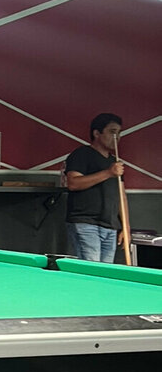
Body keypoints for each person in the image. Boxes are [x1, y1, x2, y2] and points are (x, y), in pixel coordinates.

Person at [64, 112, 125, 262]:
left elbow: (121, 196)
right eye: (112, 132)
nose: (117, 137)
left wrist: (125, 227)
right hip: (86, 223)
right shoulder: (82, 154)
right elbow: (73, 183)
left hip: (110, 226)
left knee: (105, 271)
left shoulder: (115, 162)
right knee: (91, 270)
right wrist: (108, 173)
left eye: (119, 133)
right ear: (97, 133)